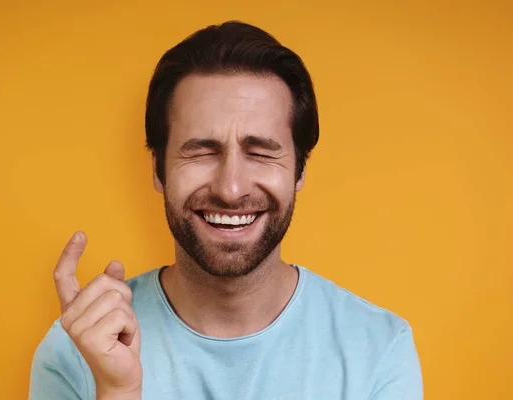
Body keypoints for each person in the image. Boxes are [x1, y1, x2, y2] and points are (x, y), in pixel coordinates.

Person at [29, 21, 423, 400]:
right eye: (202, 151)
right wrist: (118, 392)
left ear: (300, 169)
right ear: (158, 169)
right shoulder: (79, 346)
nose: (231, 189)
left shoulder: (379, 349)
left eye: (260, 153)